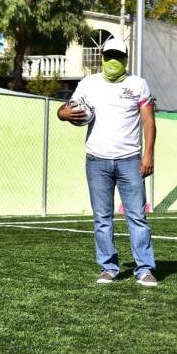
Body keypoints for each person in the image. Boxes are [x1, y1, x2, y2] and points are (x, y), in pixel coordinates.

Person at [57, 37, 158, 286]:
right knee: (102, 217)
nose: (113, 61)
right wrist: (64, 114)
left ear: (125, 59)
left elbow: (149, 121)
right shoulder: (88, 84)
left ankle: (144, 269)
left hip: (130, 161)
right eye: (108, 55)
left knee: (136, 216)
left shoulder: (138, 84)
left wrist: (148, 154)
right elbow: (67, 109)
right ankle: (108, 267)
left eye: (118, 56)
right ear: (102, 57)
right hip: (96, 161)